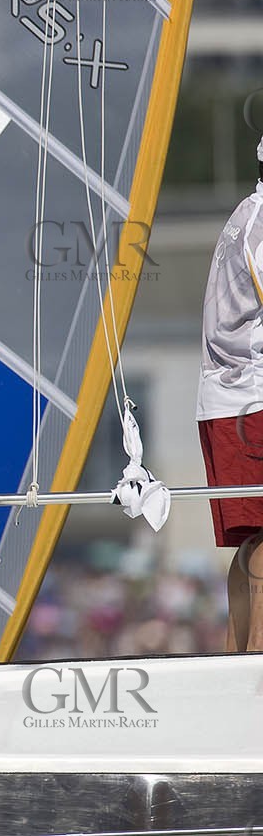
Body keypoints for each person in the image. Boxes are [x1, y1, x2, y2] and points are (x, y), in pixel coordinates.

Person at [198, 137, 263, 652]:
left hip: (228, 398)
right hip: (251, 397)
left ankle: (238, 659)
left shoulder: (246, 212)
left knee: (252, 540)